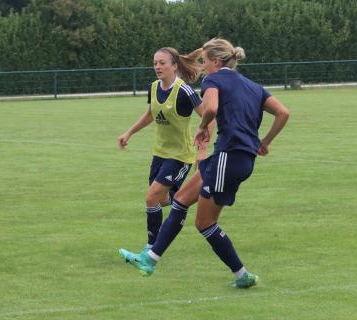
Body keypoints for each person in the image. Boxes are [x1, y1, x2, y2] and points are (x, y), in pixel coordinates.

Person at [120, 38, 289, 288]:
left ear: (216, 62)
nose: (201, 67)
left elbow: (210, 108)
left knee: (204, 223)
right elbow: (283, 112)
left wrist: (201, 128)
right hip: (230, 158)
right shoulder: (253, 86)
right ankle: (150, 258)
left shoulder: (214, 79)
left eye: (204, 62)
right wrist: (264, 141)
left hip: (228, 158)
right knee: (181, 199)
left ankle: (242, 275)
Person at [117, 47, 208, 254]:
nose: (157, 66)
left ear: (174, 66)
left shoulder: (185, 91)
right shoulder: (154, 87)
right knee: (158, 199)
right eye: (155, 63)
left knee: (151, 198)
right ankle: (181, 199)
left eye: (162, 63)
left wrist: (202, 142)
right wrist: (129, 132)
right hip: (159, 154)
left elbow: (208, 115)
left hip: (180, 156)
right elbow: (150, 114)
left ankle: (151, 248)